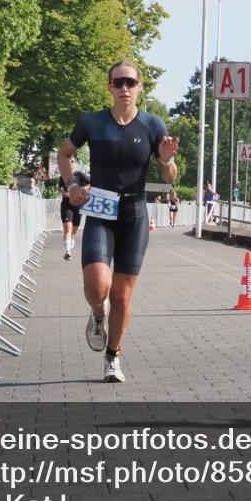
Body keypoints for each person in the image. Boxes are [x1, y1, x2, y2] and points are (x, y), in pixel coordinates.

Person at [59, 59, 178, 383]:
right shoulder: (92, 123)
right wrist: (71, 186)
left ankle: (113, 358)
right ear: (110, 86)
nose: (125, 88)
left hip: (134, 214)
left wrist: (166, 160)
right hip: (100, 209)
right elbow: (64, 153)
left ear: (140, 87)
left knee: (122, 296)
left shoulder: (153, 126)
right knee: (98, 286)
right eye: (118, 82)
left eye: (131, 82)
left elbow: (169, 177)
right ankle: (98, 315)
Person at [59, 171, 89, 261]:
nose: (70, 162)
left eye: (72, 161)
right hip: (66, 205)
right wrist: (64, 193)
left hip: (77, 205)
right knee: (67, 228)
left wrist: (82, 189)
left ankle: (71, 237)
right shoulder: (64, 175)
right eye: (70, 161)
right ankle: (67, 252)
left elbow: (90, 183)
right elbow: (59, 188)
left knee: (75, 229)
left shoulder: (80, 175)